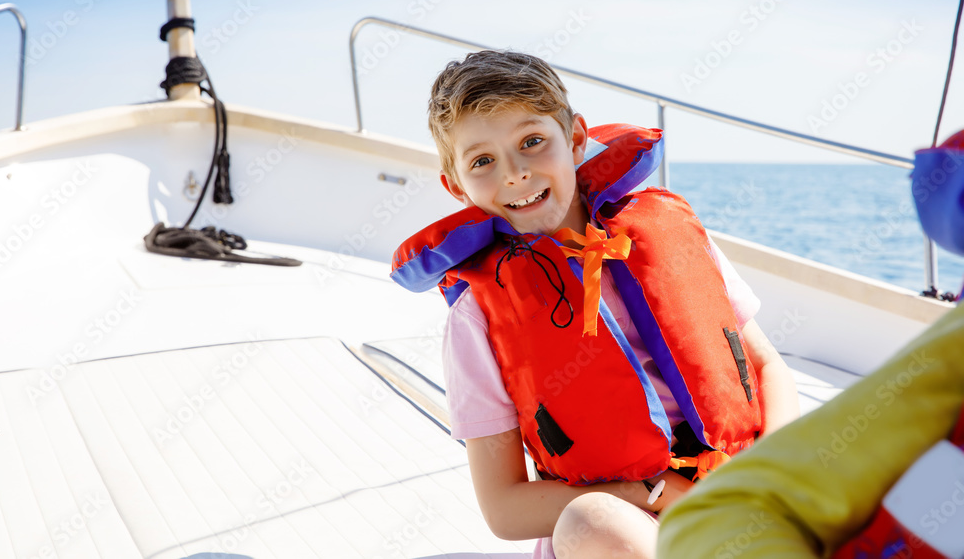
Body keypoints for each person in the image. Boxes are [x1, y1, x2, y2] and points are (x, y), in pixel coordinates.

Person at [390, 50, 800, 558]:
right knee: (592, 523)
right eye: (483, 161)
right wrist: (650, 493)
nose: (515, 173)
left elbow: (767, 366)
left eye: (532, 142)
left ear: (576, 138)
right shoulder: (478, 314)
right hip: (627, 527)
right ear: (456, 185)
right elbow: (503, 508)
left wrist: (770, 470)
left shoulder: (666, 233)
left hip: (747, 488)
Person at [656, 130, 964, 559]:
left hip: (722, 488)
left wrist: (752, 468)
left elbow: (767, 363)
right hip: (660, 496)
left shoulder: (667, 234)